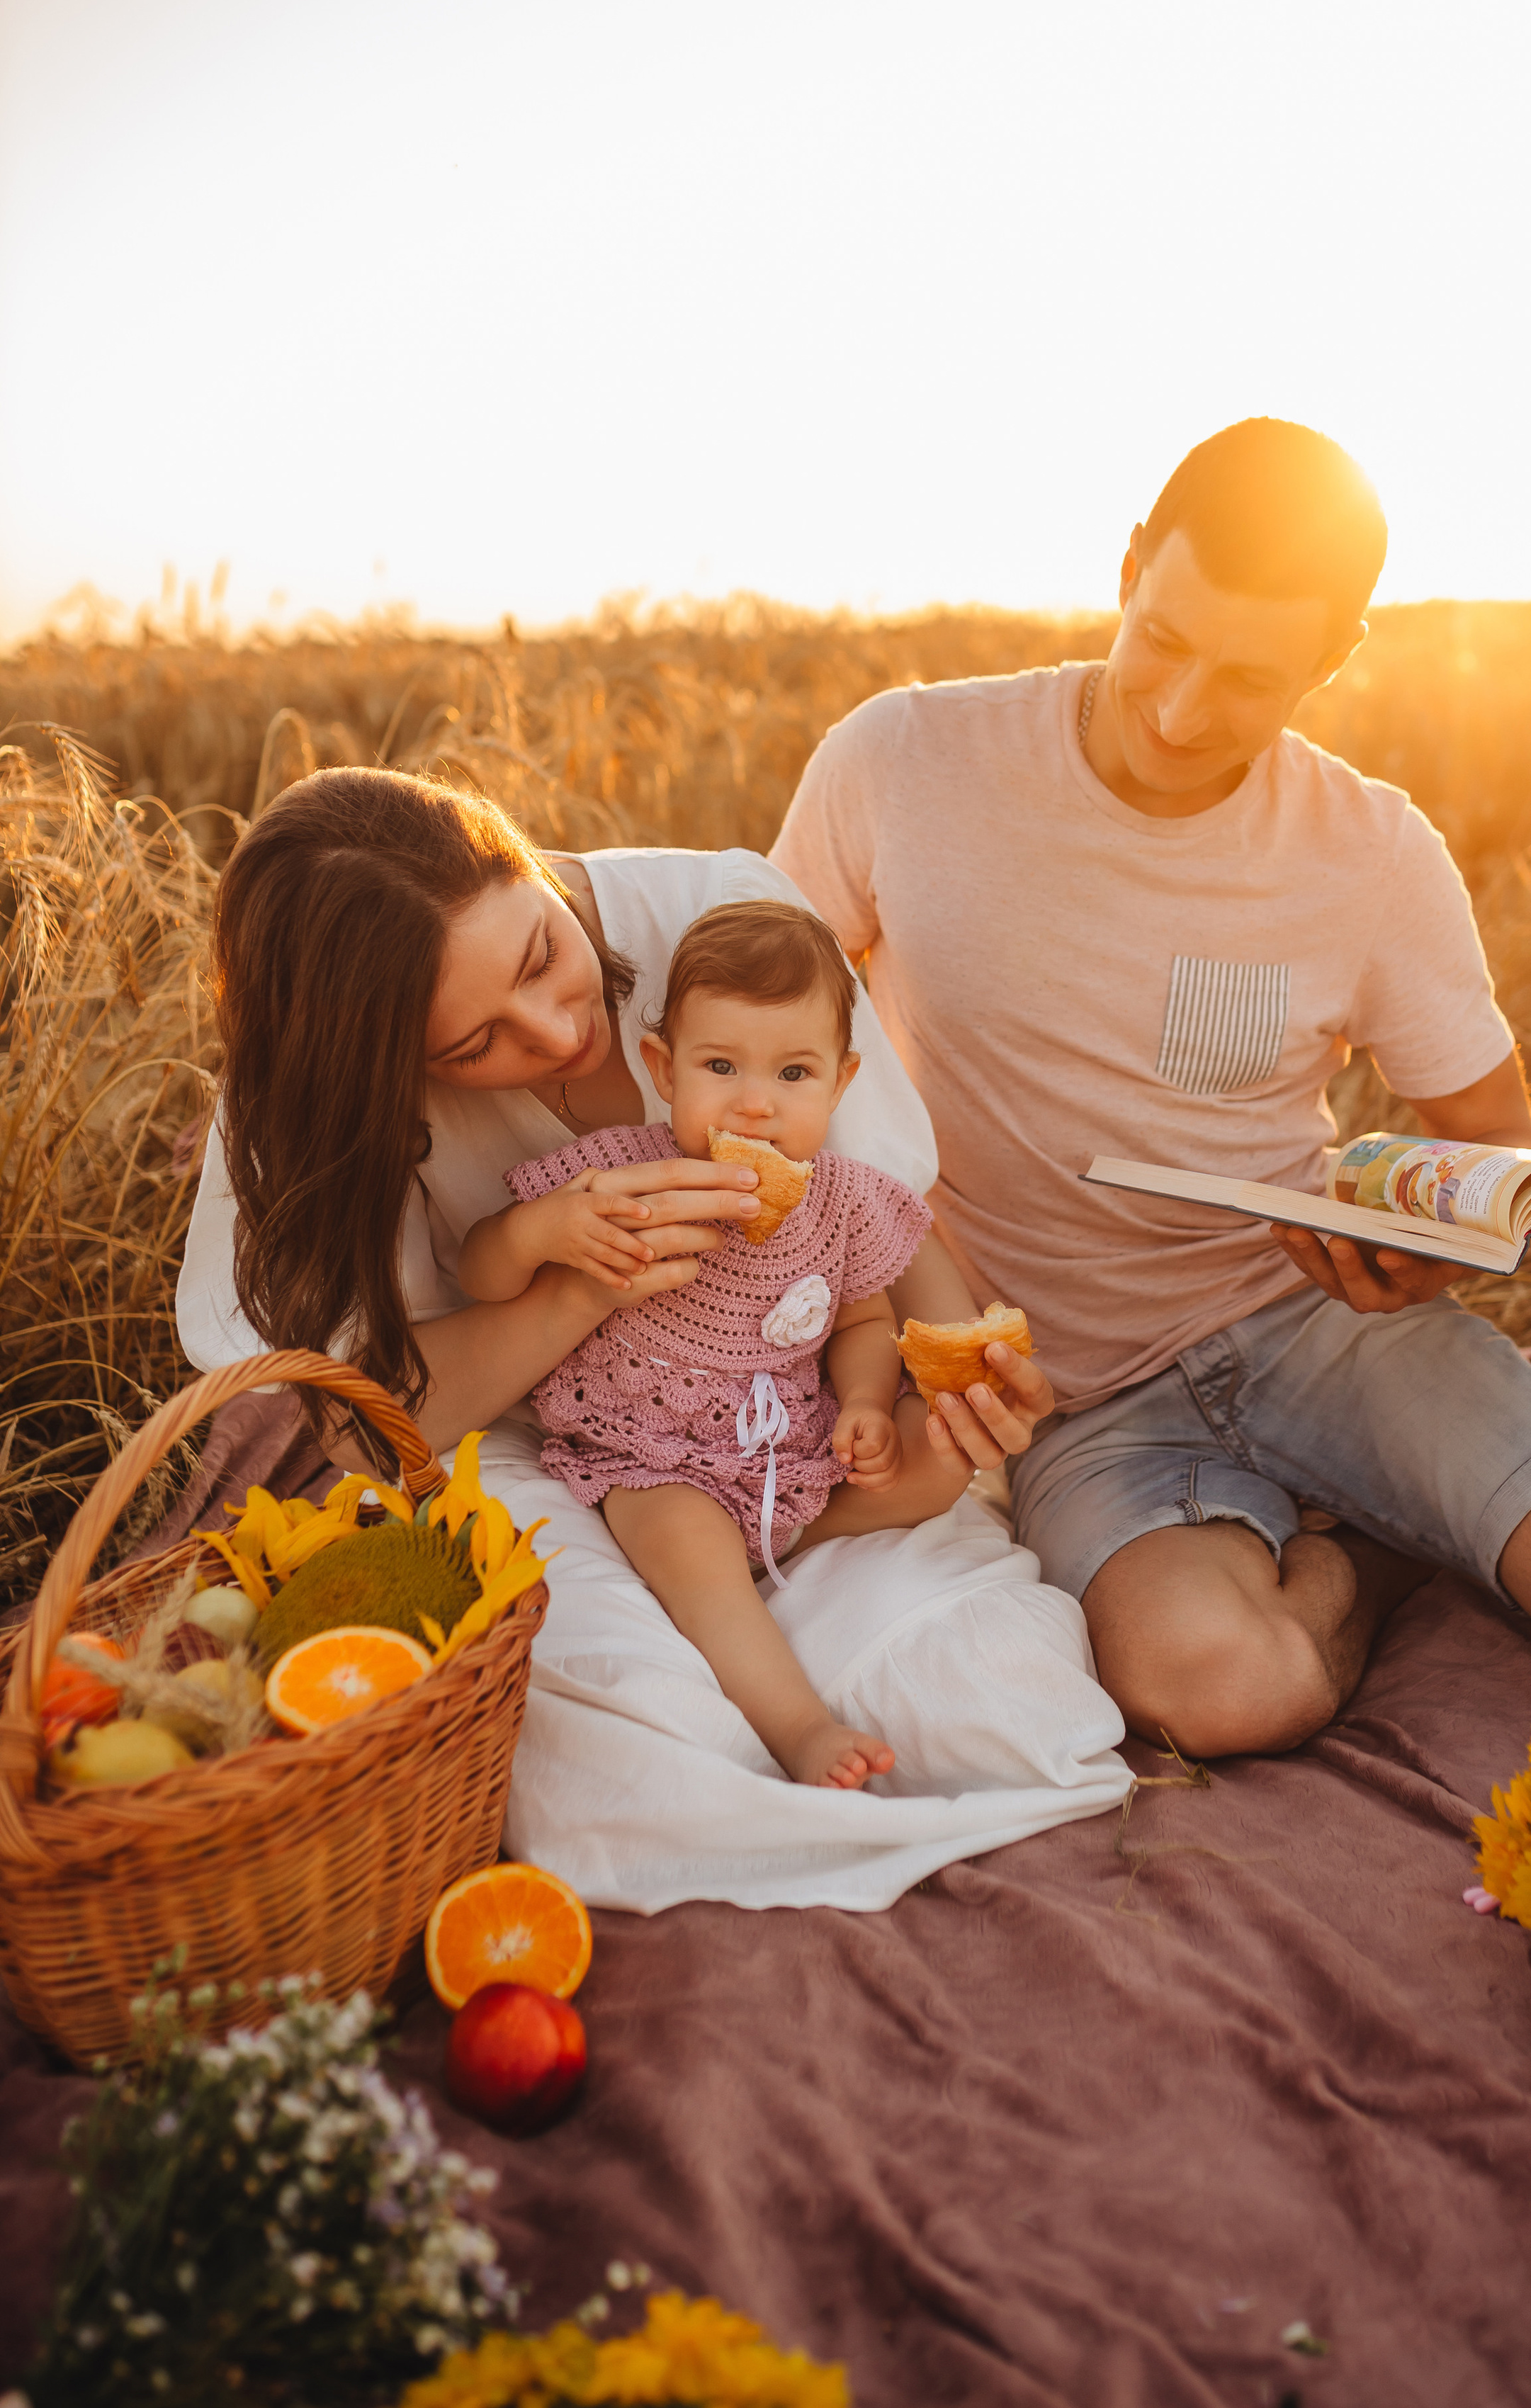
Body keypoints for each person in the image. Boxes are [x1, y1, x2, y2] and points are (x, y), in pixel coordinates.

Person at [771, 416, 1531, 1758]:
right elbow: (763, 1037)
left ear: (1335, 655)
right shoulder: (899, 764)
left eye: (1250, 677)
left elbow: (1495, 1141)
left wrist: (1431, 1252)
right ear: (1131, 567)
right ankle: (1378, 1545)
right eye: (1167, 644)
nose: (1185, 713)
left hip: (1314, 1322)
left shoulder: (1370, 852)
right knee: (1229, 1694)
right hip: (1070, 1392)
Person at [176, 768, 1131, 1910]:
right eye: (475, 1046)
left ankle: (826, 1752)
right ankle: (776, 1779)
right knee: (632, 1746)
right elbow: (389, 1416)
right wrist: (577, 1288)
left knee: (1008, 1695)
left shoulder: (724, 923)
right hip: (545, 1443)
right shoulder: (326, 1105)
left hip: (785, 1419)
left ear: (520, 854)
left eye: (539, 956)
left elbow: (877, 1225)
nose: (561, 1029)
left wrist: (956, 1378)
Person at [458, 900, 986, 1789]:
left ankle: (780, 1538)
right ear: (664, 1071)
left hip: (783, 1455)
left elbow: (862, 1322)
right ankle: (799, 1726)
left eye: (792, 1072)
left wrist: (864, 1404)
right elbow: (481, 1272)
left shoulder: (843, 1202)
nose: (756, 1101)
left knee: (940, 1469)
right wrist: (539, 1234)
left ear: (841, 1081)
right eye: (720, 1065)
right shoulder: (619, 1171)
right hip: (649, 1454)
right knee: (690, 1544)